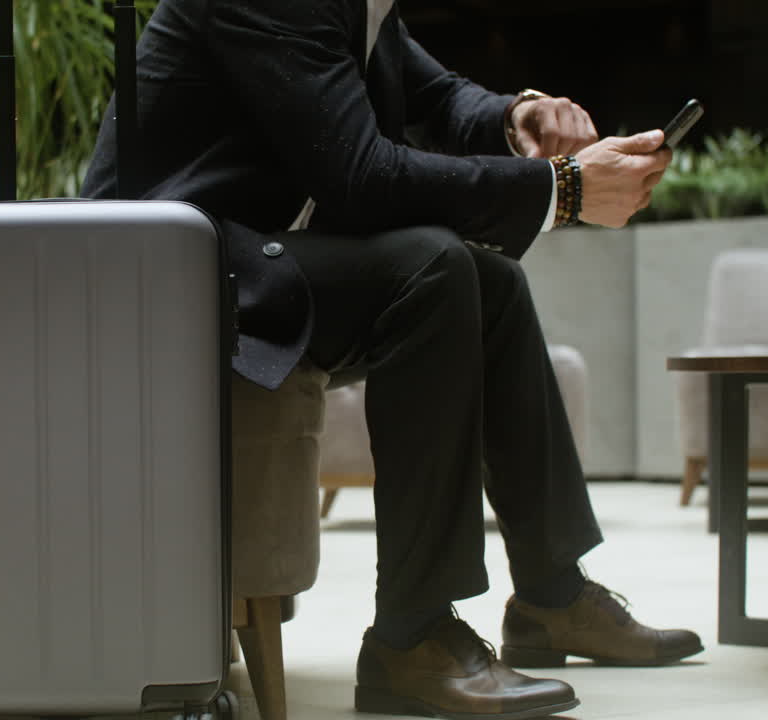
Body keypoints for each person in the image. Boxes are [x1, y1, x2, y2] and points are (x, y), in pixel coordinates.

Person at [83, 1, 702, 717]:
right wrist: (561, 190)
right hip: (166, 280)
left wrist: (517, 116)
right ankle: (411, 636)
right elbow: (363, 175)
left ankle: (551, 595)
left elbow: (436, 93)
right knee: (432, 268)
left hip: (249, 258)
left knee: (491, 282)